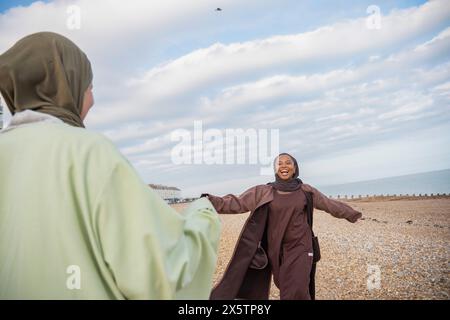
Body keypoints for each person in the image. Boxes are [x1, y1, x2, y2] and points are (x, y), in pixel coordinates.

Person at [0, 32, 221, 299]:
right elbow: (160, 276)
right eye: (89, 87)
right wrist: (203, 214)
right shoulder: (88, 151)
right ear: (66, 84)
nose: (92, 100)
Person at [202, 153, 362, 300]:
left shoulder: (306, 191)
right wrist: (211, 201)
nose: (283, 166)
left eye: (288, 163)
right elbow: (237, 202)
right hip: (275, 249)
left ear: (295, 168)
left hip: (301, 246)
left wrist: (353, 215)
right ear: (276, 169)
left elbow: (329, 204)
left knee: (297, 288)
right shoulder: (264, 191)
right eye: (279, 163)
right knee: (286, 286)